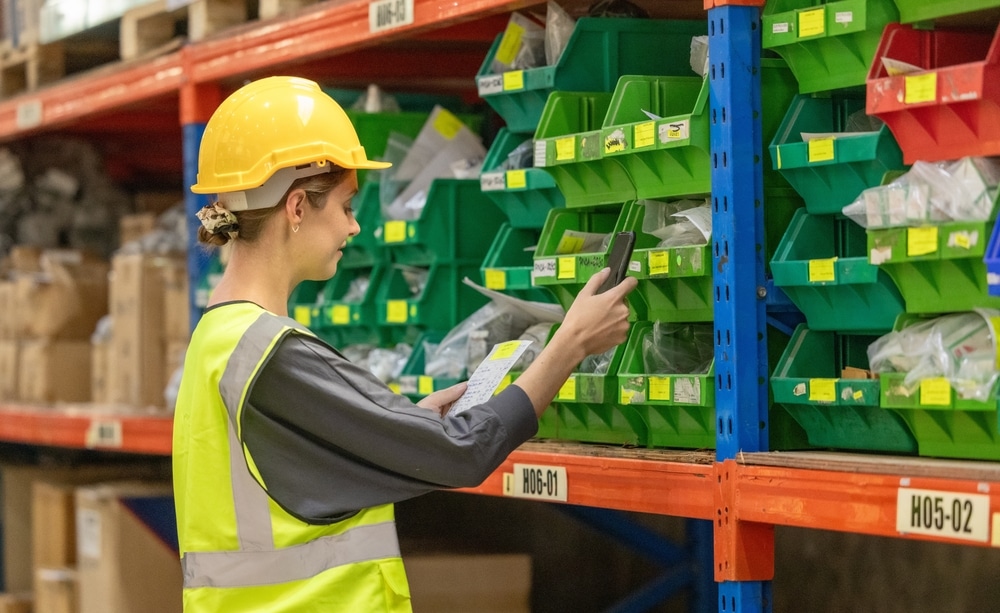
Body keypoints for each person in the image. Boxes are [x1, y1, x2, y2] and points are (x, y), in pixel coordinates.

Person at [173, 75, 637, 612]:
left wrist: (398, 428)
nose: (354, 228)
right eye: (347, 206)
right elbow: (463, 453)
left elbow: (287, 480)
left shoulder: (218, 338)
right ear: (297, 208)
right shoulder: (271, 355)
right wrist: (570, 343)